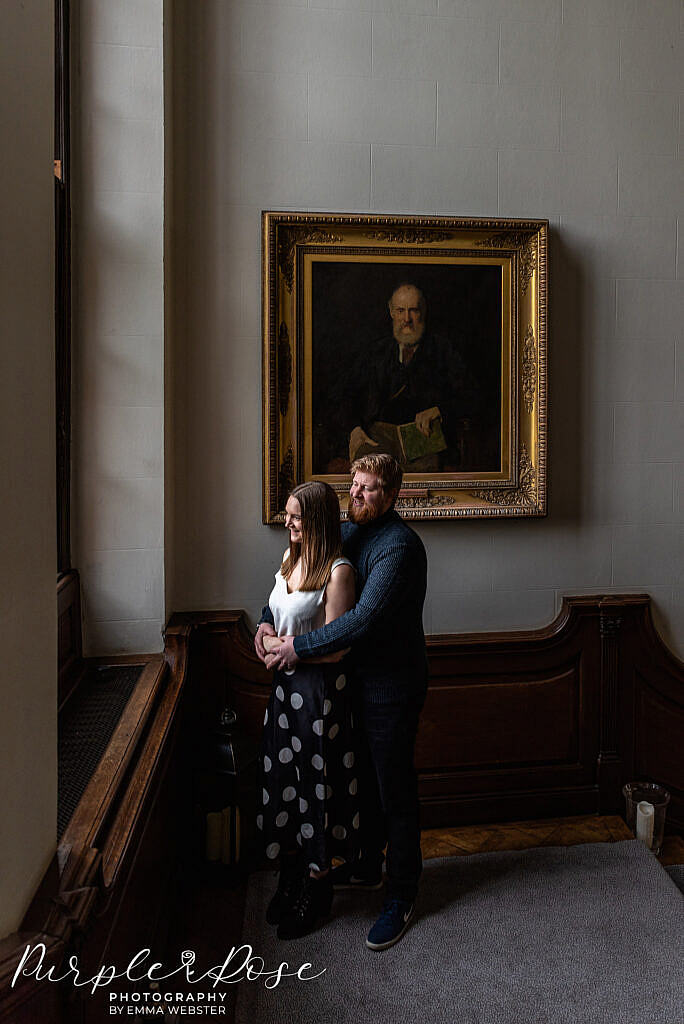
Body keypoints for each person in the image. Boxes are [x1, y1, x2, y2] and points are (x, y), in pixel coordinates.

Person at [256, 454, 428, 952]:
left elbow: (360, 622)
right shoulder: (350, 535)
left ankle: (402, 895)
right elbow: (302, 572)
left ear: (392, 495)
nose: (357, 495)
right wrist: (267, 620)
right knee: (360, 786)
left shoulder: (398, 547)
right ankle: (368, 867)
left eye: (370, 488)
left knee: (393, 788)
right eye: (354, 485)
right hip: (344, 684)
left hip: (390, 686)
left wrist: (294, 649)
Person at [258, 480, 357, 941]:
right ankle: (292, 873)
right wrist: (263, 629)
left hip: (318, 698)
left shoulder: (338, 572)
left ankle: (319, 887)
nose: (288, 522)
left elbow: (337, 645)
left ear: (316, 518)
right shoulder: (288, 559)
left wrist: (289, 650)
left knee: (316, 792)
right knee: (284, 786)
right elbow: (274, 607)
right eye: (286, 514)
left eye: (296, 516)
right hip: (282, 695)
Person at [348, 283, 477, 472]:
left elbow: (472, 396)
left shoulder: (443, 350)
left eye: (413, 310)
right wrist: (354, 428)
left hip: (426, 447)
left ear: (422, 312)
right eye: (401, 311)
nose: (407, 319)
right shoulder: (375, 352)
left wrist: (440, 410)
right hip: (378, 445)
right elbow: (344, 397)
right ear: (391, 312)